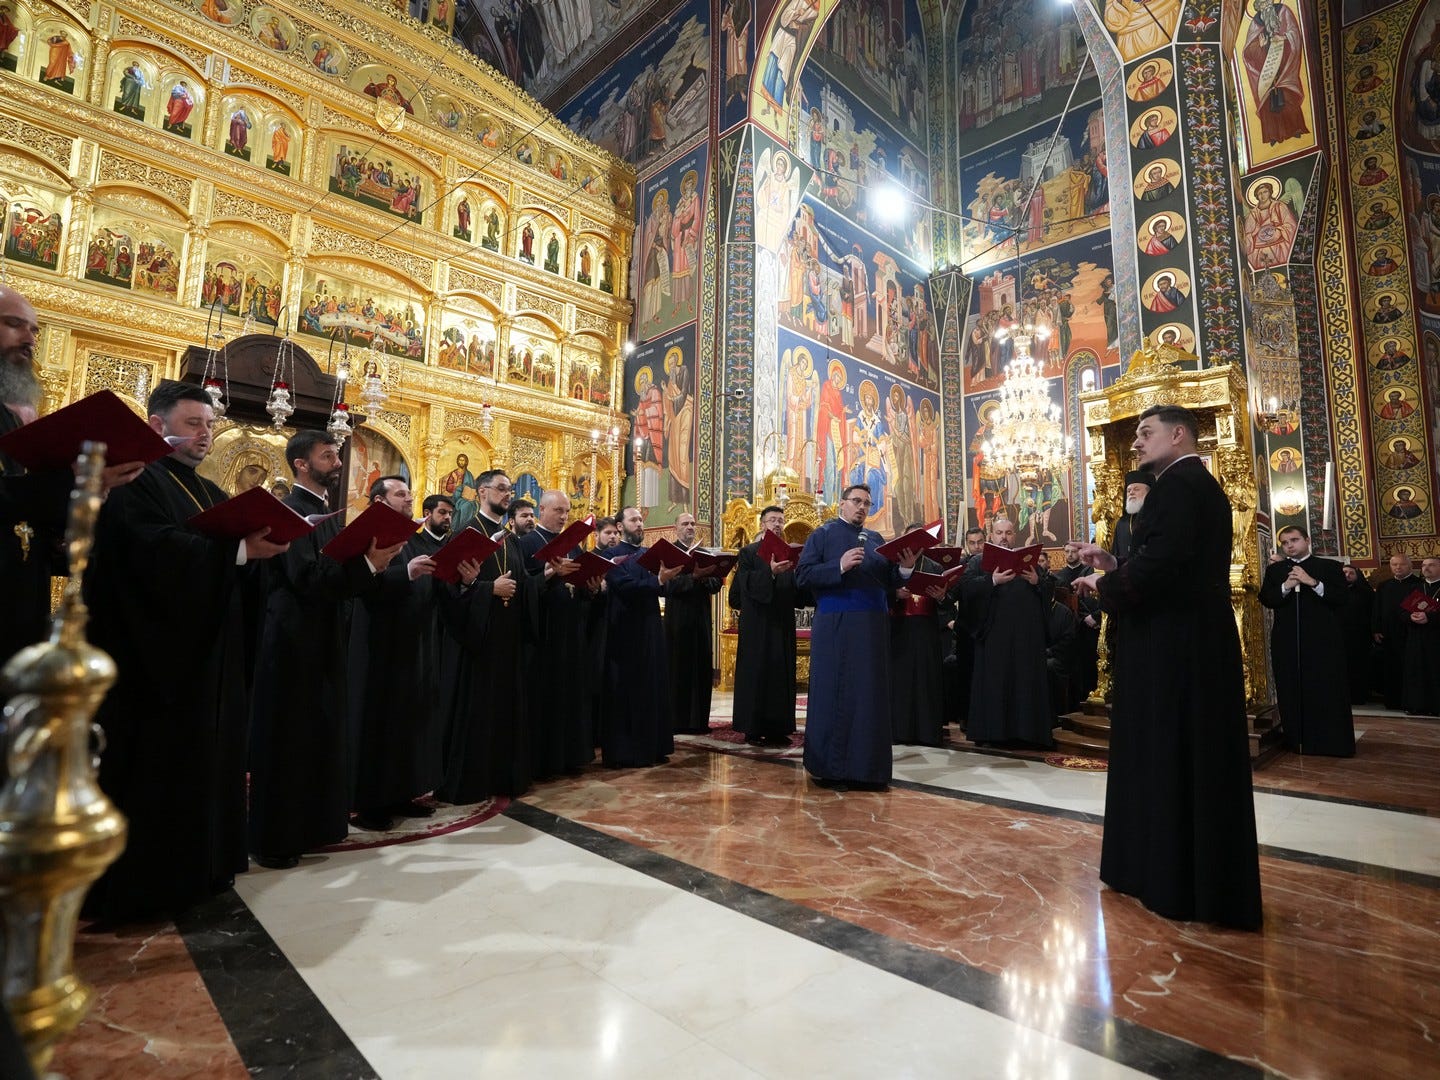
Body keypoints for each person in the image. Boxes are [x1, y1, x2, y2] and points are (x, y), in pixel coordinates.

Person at [84, 382, 288, 921]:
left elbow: (221, 560)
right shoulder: (136, 479)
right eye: (194, 423)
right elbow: (151, 553)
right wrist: (238, 552)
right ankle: (150, 886)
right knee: (158, 771)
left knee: (208, 764)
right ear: (157, 425)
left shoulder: (210, 491)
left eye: (210, 424)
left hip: (208, 659)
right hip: (155, 663)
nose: (205, 434)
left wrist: (255, 554)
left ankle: (206, 868)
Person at [1073, 404, 1262, 930]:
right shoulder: (1194, 484)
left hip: (1174, 644)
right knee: (1184, 754)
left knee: (1173, 748)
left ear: (1179, 435)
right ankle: (1180, 876)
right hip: (1187, 634)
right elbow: (1173, 561)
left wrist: (1104, 584)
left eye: (1145, 432)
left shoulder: (1176, 486)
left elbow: (1164, 566)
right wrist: (1115, 564)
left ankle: (1173, 879)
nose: (1136, 443)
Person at [248, 431, 407, 869]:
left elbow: (333, 572)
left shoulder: (326, 513)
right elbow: (306, 579)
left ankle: (313, 826)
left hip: (323, 634)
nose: (337, 461)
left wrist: (368, 563)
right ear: (301, 464)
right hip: (292, 641)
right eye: (327, 455)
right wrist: (370, 565)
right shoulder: (290, 511)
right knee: (289, 740)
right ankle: (276, 839)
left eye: (337, 454)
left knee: (317, 735)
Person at [1, 285, 143, 664]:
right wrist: (71, 482)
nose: (30, 339)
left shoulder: (10, 419)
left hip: (18, 609)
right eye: (14, 324)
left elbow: (20, 513)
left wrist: (68, 522)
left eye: (34, 330)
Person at [795, 484, 919, 790]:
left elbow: (891, 581)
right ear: (842, 504)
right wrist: (838, 566)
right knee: (835, 692)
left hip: (873, 628)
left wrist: (905, 569)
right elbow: (802, 576)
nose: (862, 507)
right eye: (856, 501)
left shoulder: (876, 540)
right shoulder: (822, 535)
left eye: (867, 503)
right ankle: (832, 770)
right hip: (836, 625)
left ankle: (868, 770)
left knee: (870, 695)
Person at [347, 477, 444, 832]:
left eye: (409, 494)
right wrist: (407, 571)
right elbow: (362, 584)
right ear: (379, 501)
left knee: (406, 721)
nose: (408, 498)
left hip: (412, 641)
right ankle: (369, 803)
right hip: (379, 644)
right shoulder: (368, 534)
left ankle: (402, 793)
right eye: (400, 494)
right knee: (378, 722)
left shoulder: (414, 535)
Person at [436, 470, 536, 801]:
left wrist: (549, 574)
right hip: (477, 639)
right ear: (482, 492)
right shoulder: (465, 534)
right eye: (502, 489)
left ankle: (503, 777)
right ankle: (471, 781)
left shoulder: (510, 538)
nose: (508, 494)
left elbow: (523, 583)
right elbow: (446, 587)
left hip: (508, 638)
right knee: (477, 710)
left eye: (510, 490)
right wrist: (486, 589)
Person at [519, 490, 598, 777]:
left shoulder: (573, 545)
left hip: (571, 629)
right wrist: (552, 573)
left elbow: (579, 584)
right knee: (547, 695)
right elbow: (524, 587)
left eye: (566, 511)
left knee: (571, 693)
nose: (564, 516)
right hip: (544, 632)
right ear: (541, 509)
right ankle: (545, 761)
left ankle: (570, 756)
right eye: (558, 510)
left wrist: (591, 587)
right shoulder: (526, 543)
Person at [597, 507, 683, 766]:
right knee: (626, 690)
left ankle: (654, 747)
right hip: (624, 630)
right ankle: (626, 752)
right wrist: (658, 581)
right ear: (620, 526)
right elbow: (624, 586)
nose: (639, 524)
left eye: (640, 520)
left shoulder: (649, 553)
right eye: (633, 520)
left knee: (652, 686)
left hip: (651, 627)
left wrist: (667, 579)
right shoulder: (610, 555)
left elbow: (664, 589)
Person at [960, 516, 1055, 748]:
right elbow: (965, 589)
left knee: (1024, 683)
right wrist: (992, 580)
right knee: (996, 683)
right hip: (994, 636)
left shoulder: (1029, 561)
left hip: (1025, 638)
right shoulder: (978, 562)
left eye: (1008, 533)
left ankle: (1027, 733)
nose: (1004, 537)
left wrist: (1037, 581)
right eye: (999, 533)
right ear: (991, 536)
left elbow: (1049, 590)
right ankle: (994, 733)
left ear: (1015, 536)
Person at [1259, 527, 1354, 756]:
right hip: (1287, 639)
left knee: (1325, 686)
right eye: (1285, 542)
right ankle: (1296, 739)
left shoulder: (1329, 567)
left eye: (1294, 540)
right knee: (1291, 686)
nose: (1290, 546)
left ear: (1307, 540)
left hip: (1322, 639)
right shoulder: (1276, 570)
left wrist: (1311, 582)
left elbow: (1341, 597)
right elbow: (1267, 598)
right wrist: (1286, 586)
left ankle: (1329, 741)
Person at [729, 505, 808, 746]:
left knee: (780, 675)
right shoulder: (749, 553)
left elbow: (796, 592)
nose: (777, 524)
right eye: (772, 519)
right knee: (757, 673)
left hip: (782, 624)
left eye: (781, 520)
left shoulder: (788, 554)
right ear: (762, 524)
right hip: (757, 625)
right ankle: (752, 729)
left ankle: (779, 728)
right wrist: (770, 572)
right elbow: (745, 586)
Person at [890, 522, 948, 747]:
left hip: (926, 631)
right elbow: (882, 591)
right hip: (899, 630)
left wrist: (941, 596)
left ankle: (927, 732)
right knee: (900, 681)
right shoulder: (891, 564)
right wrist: (895, 593)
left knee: (926, 680)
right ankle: (899, 731)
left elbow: (947, 603)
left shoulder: (934, 566)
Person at [666, 512, 724, 735]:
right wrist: (693, 577)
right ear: (676, 528)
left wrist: (705, 576)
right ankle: (676, 721)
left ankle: (699, 721)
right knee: (678, 667)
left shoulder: (704, 554)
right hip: (677, 620)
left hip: (701, 619)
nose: (690, 527)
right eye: (685, 524)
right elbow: (667, 586)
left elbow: (716, 583)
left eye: (692, 523)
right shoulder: (669, 553)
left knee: (701, 667)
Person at [1373, 553, 1419, 709]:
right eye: (1394, 565)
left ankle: (1409, 701)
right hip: (1388, 633)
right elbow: (1377, 609)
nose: (1398, 567)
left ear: (1410, 566)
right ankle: (1392, 701)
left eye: (1402, 564)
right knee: (1390, 668)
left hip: (1411, 633)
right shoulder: (1384, 586)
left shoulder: (1419, 584)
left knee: (1410, 668)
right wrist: (1376, 629)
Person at [1402, 556, 1440, 716]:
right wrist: (1410, 617)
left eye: (1431, 565)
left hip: (1436, 638)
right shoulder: (1415, 588)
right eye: (1424, 565)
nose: (1426, 568)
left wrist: (1429, 618)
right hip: (1416, 638)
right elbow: (1401, 612)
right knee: (1416, 671)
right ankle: (1416, 705)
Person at [1339, 564, 1375, 705]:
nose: (1347, 575)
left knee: (1359, 667)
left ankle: (1359, 696)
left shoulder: (1366, 592)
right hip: (1339, 636)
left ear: (1357, 575)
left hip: (1360, 636)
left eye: (1351, 573)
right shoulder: (1335, 590)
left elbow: (1373, 613)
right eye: (1344, 572)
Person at [1111, 470, 1154, 556]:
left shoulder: (1158, 519)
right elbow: (1116, 554)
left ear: (1149, 493)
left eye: (1136, 489)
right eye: (1128, 490)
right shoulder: (1122, 523)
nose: (1131, 493)